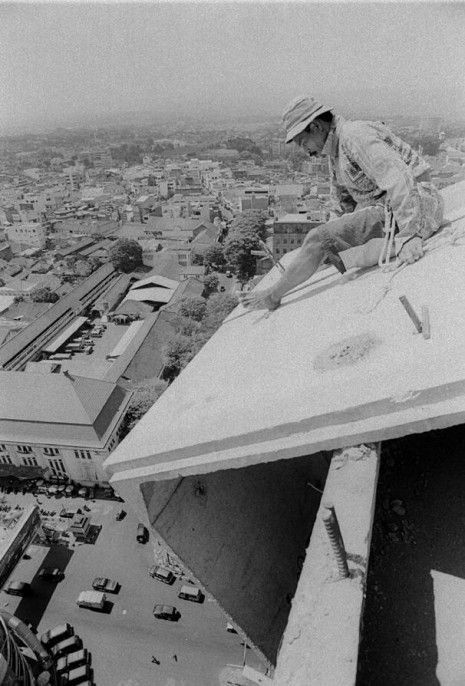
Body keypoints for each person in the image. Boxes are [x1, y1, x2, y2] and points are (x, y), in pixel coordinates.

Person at [241, 95, 444, 311]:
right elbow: (341, 205)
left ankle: (272, 296)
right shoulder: (336, 151)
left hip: (414, 208)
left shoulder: (355, 136)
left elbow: (399, 180)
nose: (305, 150)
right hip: (391, 211)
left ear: (316, 126)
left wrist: (410, 236)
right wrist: (328, 248)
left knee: (317, 239)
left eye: (303, 142)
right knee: (323, 240)